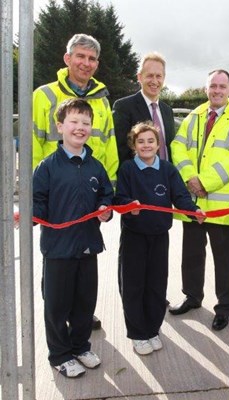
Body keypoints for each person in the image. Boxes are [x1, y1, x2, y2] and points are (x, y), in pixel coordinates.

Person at [32, 33, 118, 330]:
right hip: (56, 193)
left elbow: (108, 146)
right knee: (58, 261)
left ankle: (80, 312)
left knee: (84, 259)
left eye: (92, 58)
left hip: (90, 194)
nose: (86, 63)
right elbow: (33, 143)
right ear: (67, 59)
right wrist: (40, 194)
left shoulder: (102, 101)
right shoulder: (44, 95)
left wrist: (107, 193)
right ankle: (59, 315)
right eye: (80, 56)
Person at [33, 99, 114, 378]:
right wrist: (29, 216)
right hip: (57, 250)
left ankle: (80, 346)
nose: (80, 128)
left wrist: (105, 209)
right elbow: (37, 201)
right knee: (57, 305)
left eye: (86, 123)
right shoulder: (47, 167)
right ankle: (59, 354)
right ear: (60, 126)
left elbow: (106, 194)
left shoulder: (95, 166)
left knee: (84, 302)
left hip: (87, 247)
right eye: (74, 122)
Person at [169, 69, 229, 331]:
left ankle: (224, 308)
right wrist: (190, 177)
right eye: (212, 86)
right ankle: (192, 297)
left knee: (224, 260)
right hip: (193, 203)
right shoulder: (194, 117)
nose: (217, 90)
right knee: (192, 255)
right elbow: (177, 147)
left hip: (221, 205)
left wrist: (205, 182)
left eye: (222, 86)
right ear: (206, 89)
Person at [113, 122, 205, 355]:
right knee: (134, 285)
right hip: (134, 237)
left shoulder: (168, 169)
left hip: (159, 237)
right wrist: (128, 207)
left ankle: (152, 329)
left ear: (158, 144)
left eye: (150, 141)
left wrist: (193, 212)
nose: (146, 145)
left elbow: (181, 196)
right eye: (141, 141)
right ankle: (137, 333)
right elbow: (120, 199)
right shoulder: (127, 170)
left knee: (156, 284)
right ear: (134, 145)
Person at [113, 52, 175, 164]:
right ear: (139, 77)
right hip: (137, 178)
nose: (155, 81)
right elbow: (120, 151)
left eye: (159, 76)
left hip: (166, 177)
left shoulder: (167, 111)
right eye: (150, 76)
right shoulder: (123, 107)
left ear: (164, 78)